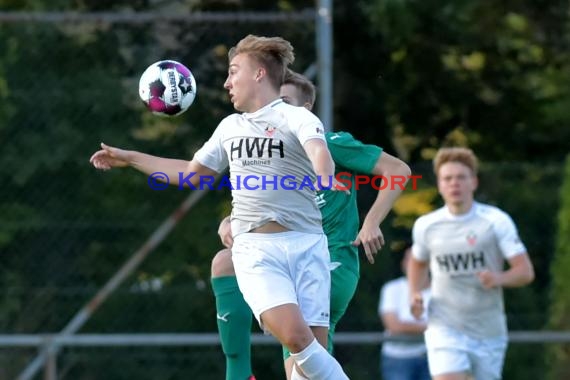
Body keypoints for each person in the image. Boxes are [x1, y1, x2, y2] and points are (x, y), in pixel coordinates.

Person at [90, 34, 350, 380]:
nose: (227, 82)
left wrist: (323, 174)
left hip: (308, 245)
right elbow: (190, 174)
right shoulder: (230, 128)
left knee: (305, 369)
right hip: (257, 251)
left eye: (233, 72)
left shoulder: (295, 117)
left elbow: (319, 150)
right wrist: (132, 158)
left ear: (259, 74)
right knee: (298, 339)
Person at [211, 69, 412, 379]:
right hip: (287, 259)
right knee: (225, 263)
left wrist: (371, 222)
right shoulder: (269, 156)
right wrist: (231, 220)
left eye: (285, 103)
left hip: (330, 260)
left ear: (305, 111)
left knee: (303, 354)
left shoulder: (330, 145)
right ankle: (239, 373)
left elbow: (397, 170)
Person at [407, 147, 535, 380]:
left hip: (488, 329)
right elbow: (417, 262)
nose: (454, 183)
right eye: (448, 178)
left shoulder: (496, 221)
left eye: (461, 177)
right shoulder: (427, 225)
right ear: (439, 184)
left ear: (473, 182)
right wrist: (414, 292)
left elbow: (525, 272)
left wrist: (498, 278)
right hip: (444, 326)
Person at [378, 245, 430, 380]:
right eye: (409, 259)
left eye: (416, 260)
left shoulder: (439, 290)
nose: (412, 264)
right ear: (403, 263)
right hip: (397, 358)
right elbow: (394, 326)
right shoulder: (391, 289)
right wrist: (431, 328)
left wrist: (408, 327)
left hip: (432, 357)